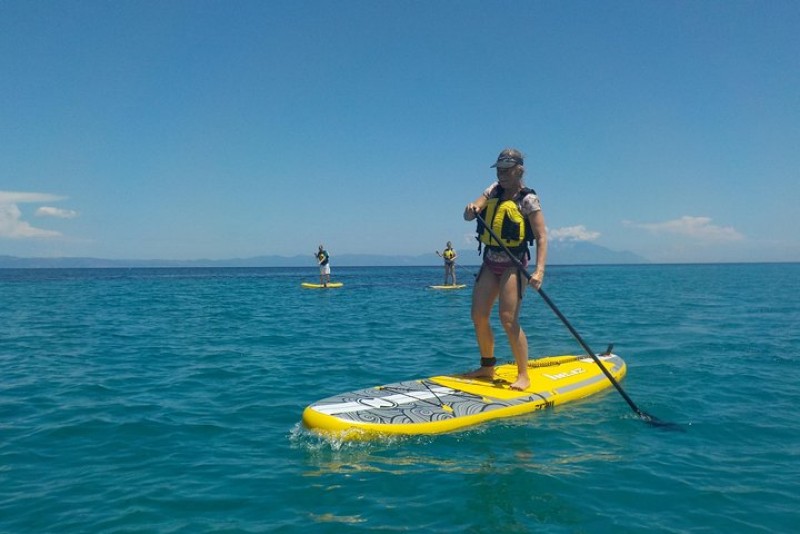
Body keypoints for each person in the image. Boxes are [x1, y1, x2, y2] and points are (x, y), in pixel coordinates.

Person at [462, 148, 547, 391]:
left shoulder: (528, 199)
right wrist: (470, 210)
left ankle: (523, 375)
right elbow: (470, 214)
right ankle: (487, 367)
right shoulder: (493, 191)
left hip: (514, 264)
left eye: (507, 170)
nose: (502, 175)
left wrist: (539, 271)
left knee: (508, 319)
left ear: (519, 170)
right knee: (478, 316)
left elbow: (541, 237)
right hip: (490, 262)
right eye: (499, 170)